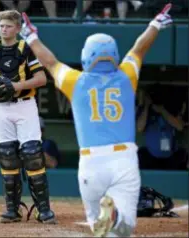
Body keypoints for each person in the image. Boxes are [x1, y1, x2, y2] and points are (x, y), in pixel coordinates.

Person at [20, 4, 173, 237]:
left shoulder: (76, 81)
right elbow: (139, 48)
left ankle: (109, 218)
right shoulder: (126, 77)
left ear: (86, 56)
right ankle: (117, 217)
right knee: (125, 228)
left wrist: (31, 36)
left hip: (91, 163)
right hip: (123, 160)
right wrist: (155, 23)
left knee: (98, 228)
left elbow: (50, 62)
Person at [0, 10, 55, 224]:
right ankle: (12, 210)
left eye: (8, 26)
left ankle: (43, 209)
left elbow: (41, 78)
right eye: (1, 26)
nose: (4, 29)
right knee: (7, 155)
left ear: (18, 29)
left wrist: (14, 86)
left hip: (25, 105)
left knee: (33, 155)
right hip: (1, 108)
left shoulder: (25, 49)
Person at [137, 87, 188, 170]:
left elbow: (179, 126)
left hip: (170, 156)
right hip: (151, 156)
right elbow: (140, 128)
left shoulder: (170, 111)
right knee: (141, 154)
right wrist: (147, 106)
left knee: (181, 155)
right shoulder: (145, 112)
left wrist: (162, 110)